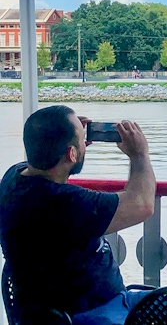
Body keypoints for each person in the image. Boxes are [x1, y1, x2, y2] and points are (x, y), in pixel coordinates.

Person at [0, 105, 157, 325]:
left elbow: (48, 158)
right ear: (71, 153)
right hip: (89, 313)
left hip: (43, 309)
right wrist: (140, 154)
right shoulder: (66, 202)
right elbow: (142, 204)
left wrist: (73, 146)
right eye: (80, 142)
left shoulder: (12, 179)